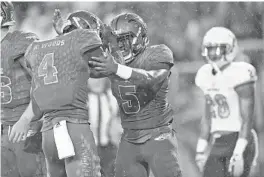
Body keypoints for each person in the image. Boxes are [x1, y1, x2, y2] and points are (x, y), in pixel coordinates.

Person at [9, 9, 107, 177]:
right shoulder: (82, 39)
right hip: (74, 128)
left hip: (49, 134)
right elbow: (105, 67)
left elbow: (41, 97)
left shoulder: (38, 49)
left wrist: (24, 119)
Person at [88, 12, 182, 177]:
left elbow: (152, 79)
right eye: (116, 41)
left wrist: (117, 69)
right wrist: (69, 38)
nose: (120, 47)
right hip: (129, 140)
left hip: (158, 135)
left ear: (140, 37)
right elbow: (85, 69)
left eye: (124, 40)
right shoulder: (113, 61)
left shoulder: (158, 53)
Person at [194, 27, 259, 177]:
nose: (212, 54)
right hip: (218, 140)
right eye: (209, 49)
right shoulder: (205, 74)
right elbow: (207, 117)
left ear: (229, 49)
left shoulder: (241, 73)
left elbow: (247, 120)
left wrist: (239, 151)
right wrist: (201, 148)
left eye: (217, 49)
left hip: (239, 137)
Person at [1, 2, 47, 177]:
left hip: (25, 125)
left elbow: (45, 83)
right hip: (4, 127)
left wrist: (25, 119)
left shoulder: (19, 43)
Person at [87, 78, 122, 177]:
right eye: (93, 77)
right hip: (87, 148)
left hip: (107, 147)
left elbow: (119, 122)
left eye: (100, 76)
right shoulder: (81, 98)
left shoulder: (112, 96)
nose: (97, 81)